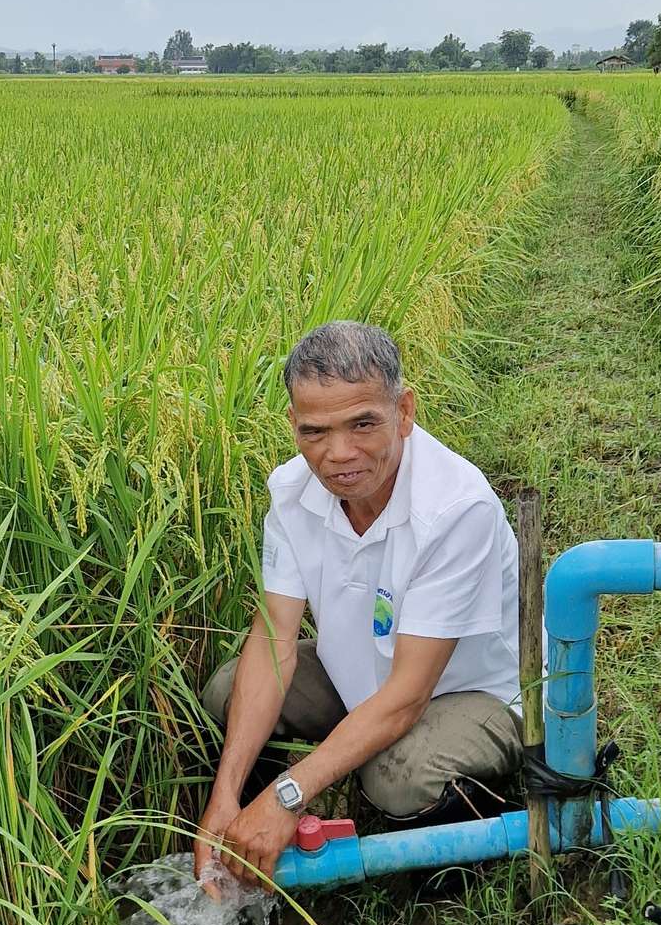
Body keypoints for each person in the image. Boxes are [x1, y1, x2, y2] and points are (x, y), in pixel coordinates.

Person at [194, 320, 522, 887]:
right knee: (228, 692)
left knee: (395, 776)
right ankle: (242, 827)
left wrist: (289, 792)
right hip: (362, 675)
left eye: (363, 423)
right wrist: (224, 796)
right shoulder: (293, 493)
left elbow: (407, 695)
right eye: (315, 431)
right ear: (293, 426)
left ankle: (465, 847)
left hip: (470, 692)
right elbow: (275, 640)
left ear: (404, 412)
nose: (339, 454)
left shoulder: (453, 509)